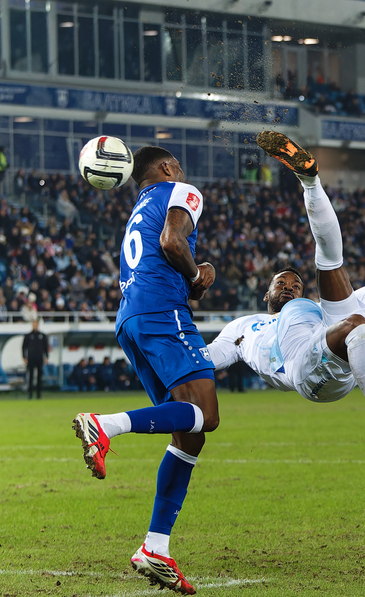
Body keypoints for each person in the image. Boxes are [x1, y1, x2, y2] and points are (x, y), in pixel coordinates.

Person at [208, 131, 365, 459]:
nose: (288, 286)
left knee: (335, 272)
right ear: (266, 295)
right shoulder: (245, 327)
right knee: (354, 321)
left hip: (325, 347)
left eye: (295, 284)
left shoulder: (314, 310)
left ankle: (309, 180)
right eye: (281, 283)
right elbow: (209, 358)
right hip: (302, 371)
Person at [71, 146, 219, 595]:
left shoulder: (138, 209)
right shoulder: (182, 190)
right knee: (206, 415)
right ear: (169, 167)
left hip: (132, 319)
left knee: (188, 435)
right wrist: (196, 277)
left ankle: (155, 547)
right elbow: (173, 243)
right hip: (161, 313)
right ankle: (104, 425)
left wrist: (190, 277)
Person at [22, 319, 49, 400]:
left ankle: (38, 394)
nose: (35, 326)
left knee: (39, 376)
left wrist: (46, 357)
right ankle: (30, 394)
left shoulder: (42, 336)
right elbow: (24, 347)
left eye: (36, 324)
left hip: (39, 357)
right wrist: (24, 357)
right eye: (34, 324)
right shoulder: (28, 336)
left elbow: (45, 347)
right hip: (31, 357)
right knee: (30, 376)